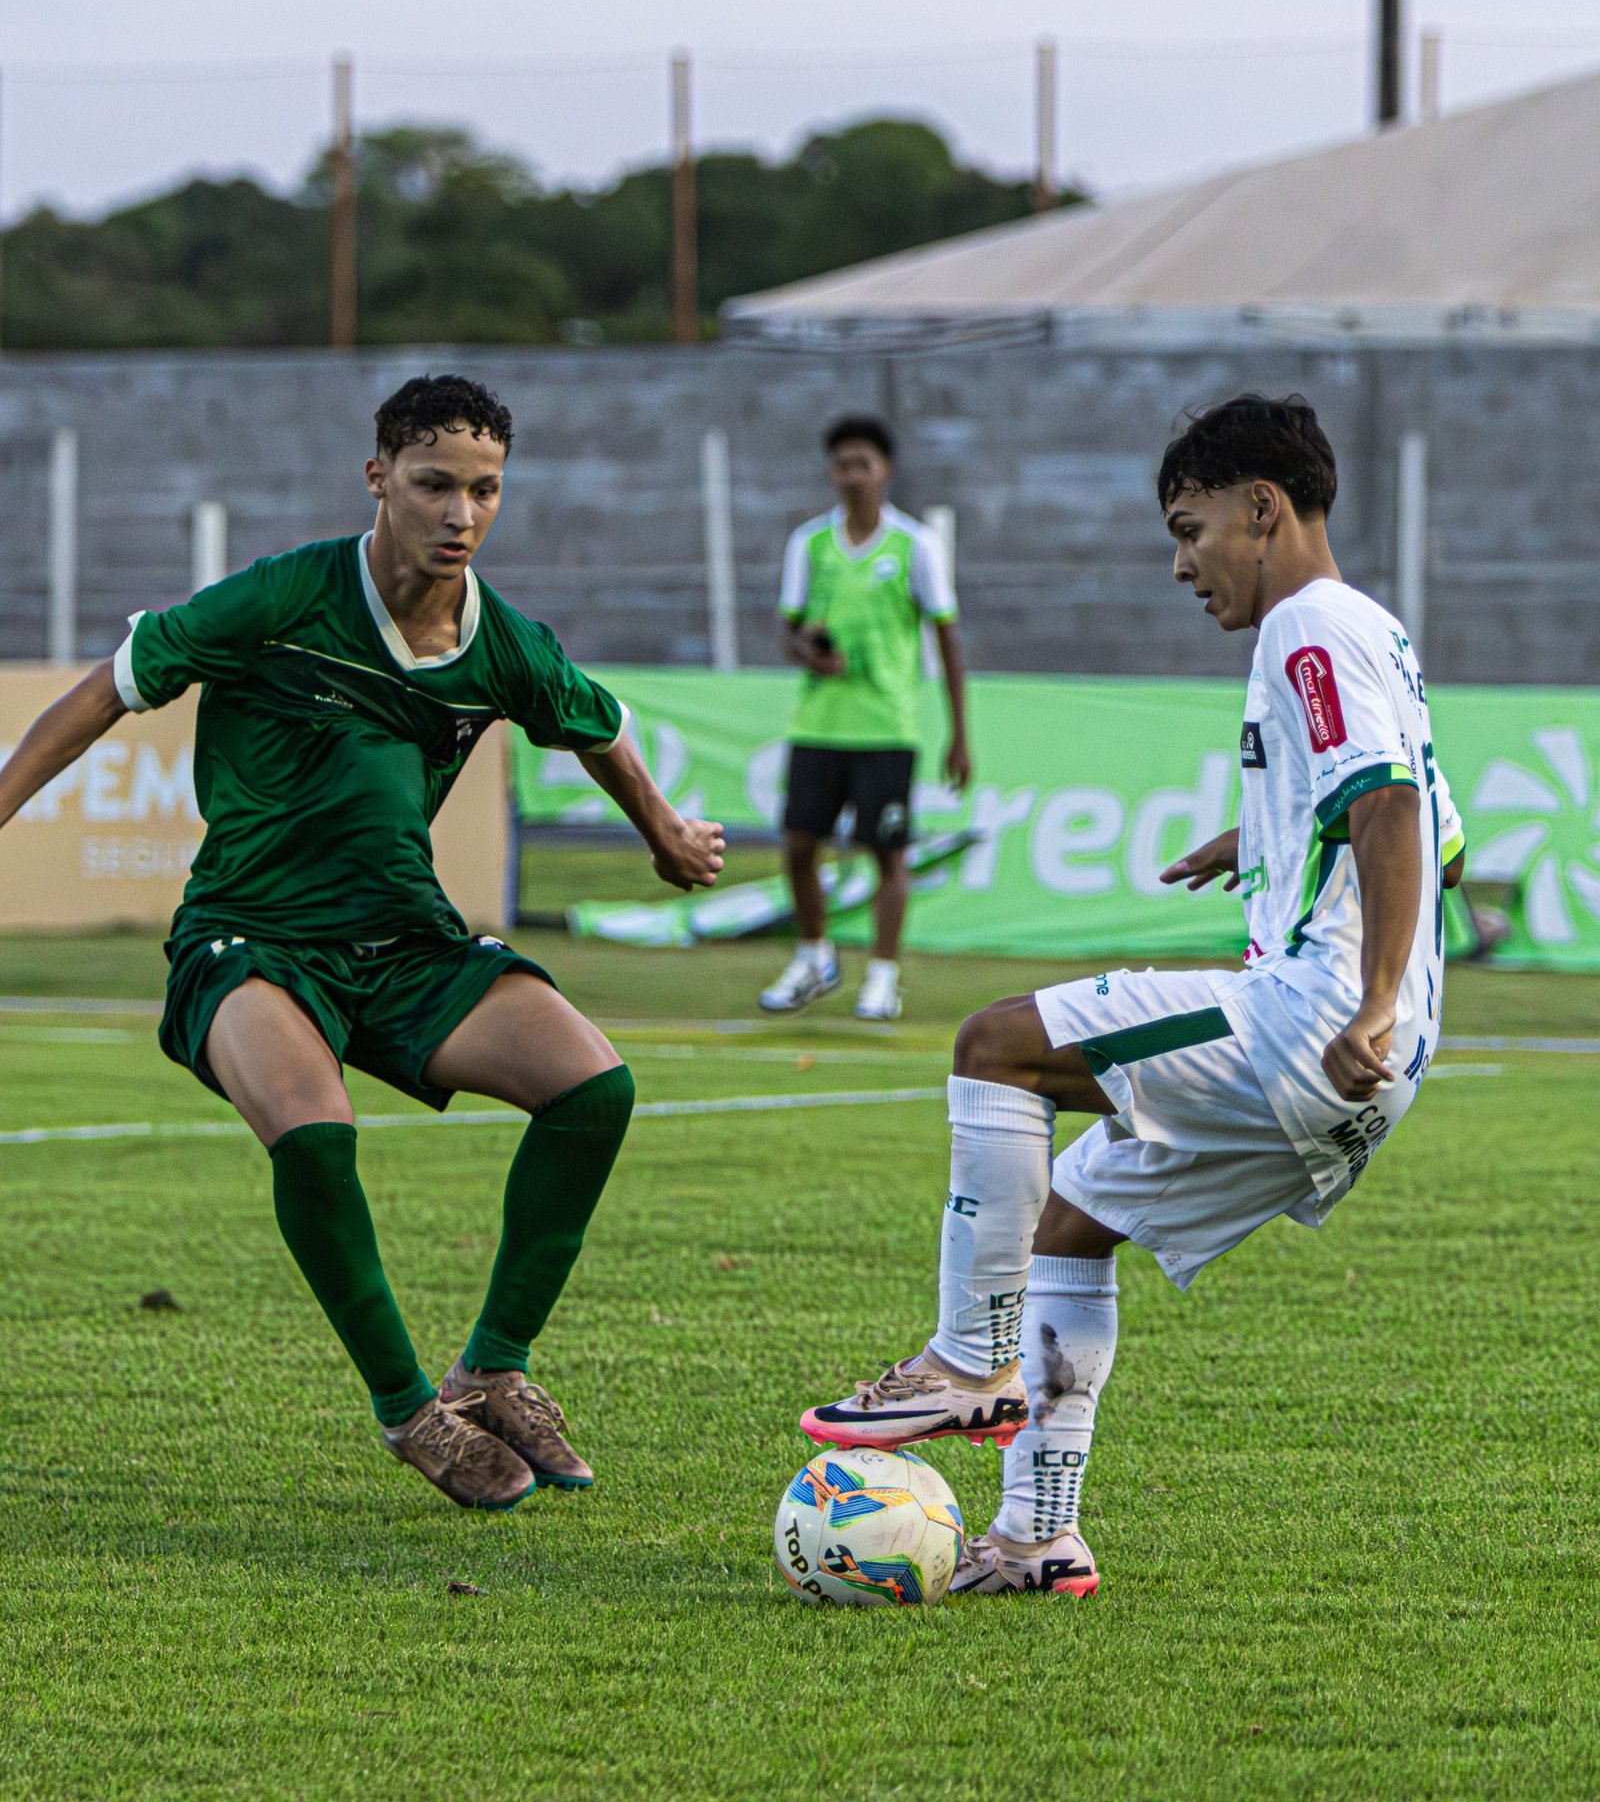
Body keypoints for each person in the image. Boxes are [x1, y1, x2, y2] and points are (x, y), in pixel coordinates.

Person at [0, 374, 723, 1513]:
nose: (461, 514)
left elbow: (602, 727)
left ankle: (490, 1372)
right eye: (435, 485)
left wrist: (667, 833)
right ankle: (408, 1413)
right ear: (379, 478)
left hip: (404, 945)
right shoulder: (284, 596)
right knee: (315, 1129)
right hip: (249, 940)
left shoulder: (506, 645)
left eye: (484, 490)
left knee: (593, 1087)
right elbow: (107, 690)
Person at [799, 394, 1465, 1596]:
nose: (1179, 563)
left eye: (1190, 527)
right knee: (1072, 1220)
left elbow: (1394, 811)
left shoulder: (1308, 629)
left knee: (993, 1045)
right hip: (1375, 1069)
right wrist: (1259, 840)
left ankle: (968, 1363)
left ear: (1263, 509)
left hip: (1310, 1028)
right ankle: (1035, 1538)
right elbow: (1441, 830)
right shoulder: (1375, 636)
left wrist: (1364, 1002)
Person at [759, 415, 970, 1022]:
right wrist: (808, 651)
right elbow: (789, 632)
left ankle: (882, 975)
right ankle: (814, 956)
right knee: (799, 845)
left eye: (864, 463)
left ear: (885, 470)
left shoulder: (914, 545)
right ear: (831, 472)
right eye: (842, 464)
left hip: (887, 725)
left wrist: (959, 734)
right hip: (818, 722)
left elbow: (947, 637)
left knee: (887, 852)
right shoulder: (810, 544)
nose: (852, 475)